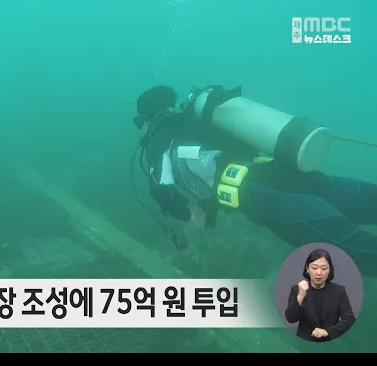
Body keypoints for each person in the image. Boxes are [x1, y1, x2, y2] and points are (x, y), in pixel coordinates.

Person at [133, 84, 377, 276]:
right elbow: (212, 163)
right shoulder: (197, 119)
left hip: (258, 194)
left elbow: (162, 191)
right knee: (339, 193)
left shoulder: (159, 141)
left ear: (146, 120)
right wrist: (207, 207)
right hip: (274, 169)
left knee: (342, 242)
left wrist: (188, 214)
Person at [284, 248, 355, 341]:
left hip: (330, 343)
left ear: (329, 270)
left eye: (324, 268)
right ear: (307, 269)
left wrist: (327, 332)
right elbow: (290, 319)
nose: (319, 273)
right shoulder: (297, 289)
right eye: (314, 268)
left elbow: (349, 319)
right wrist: (300, 296)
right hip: (304, 343)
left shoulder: (338, 291)